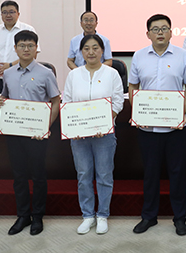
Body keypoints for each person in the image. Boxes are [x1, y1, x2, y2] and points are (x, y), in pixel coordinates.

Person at [128, 14, 186, 236]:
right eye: (155, 29)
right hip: (147, 129)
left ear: (171, 32)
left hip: (175, 128)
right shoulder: (139, 56)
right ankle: (149, 216)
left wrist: (181, 112)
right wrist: (138, 112)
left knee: (177, 174)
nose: (160, 32)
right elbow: (133, 86)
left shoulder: (182, 55)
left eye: (164, 28)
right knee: (150, 174)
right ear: (147, 33)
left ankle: (180, 218)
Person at [0, 30, 60, 236]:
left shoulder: (46, 73)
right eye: (22, 45)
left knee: (38, 176)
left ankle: (38, 216)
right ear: (15, 49)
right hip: (14, 133)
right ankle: (23, 215)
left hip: (37, 135)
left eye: (30, 45)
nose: (26, 49)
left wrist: (46, 127)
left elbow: (55, 101)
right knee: (19, 176)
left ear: (36, 48)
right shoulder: (8, 74)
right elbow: (5, 98)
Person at [63, 34, 124, 235]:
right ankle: (88, 215)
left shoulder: (112, 73)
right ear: (81, 52)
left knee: (104, 175)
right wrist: (74, 127)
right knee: (84, 176)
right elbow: (67, 101)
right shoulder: (74, 75)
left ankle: (103, 215)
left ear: (102, 51)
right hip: (79, 136)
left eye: (95, 48)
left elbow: (118, 101)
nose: (91, 52)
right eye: (86, 48)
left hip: (104, 134)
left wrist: (104, 123)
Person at [0, 0, 39, 91]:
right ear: (1, 15)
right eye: (4, 12)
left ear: (18, 14)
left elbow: (33, 54)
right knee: (0, 99)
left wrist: (11, 65)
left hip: (21, 76)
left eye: (11, 12)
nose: (8, 15)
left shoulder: (28, 29)